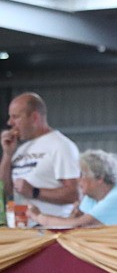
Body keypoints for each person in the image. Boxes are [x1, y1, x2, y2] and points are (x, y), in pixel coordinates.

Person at [1, 92, 81, 223]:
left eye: (15, 117)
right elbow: (6, 190)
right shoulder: (20, 149)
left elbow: (75, 193)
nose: (10, 123)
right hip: (23, 229)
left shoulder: (61, 145)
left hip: (50, 231)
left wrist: (35, 192)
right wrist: (7, 154)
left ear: (34, 117)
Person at [30, 149, 117, 228]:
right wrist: (75, 215)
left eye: (83, 175)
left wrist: (38, 217)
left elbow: (76, 225)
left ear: (99, 178)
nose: (78, 180)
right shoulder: (92, 196)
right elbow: (74, 221)